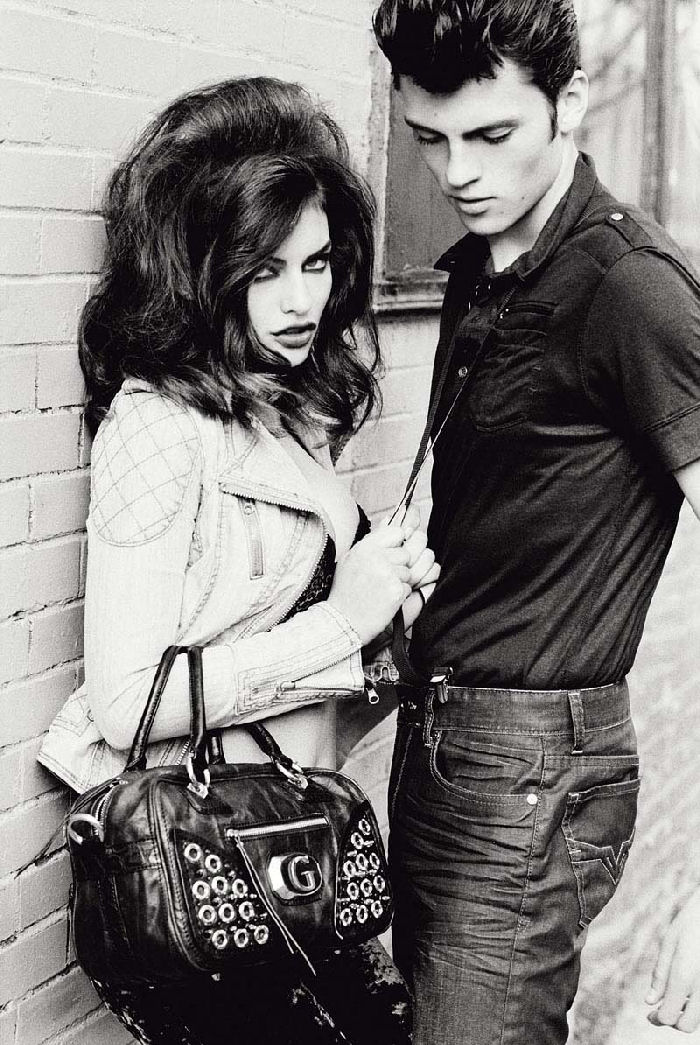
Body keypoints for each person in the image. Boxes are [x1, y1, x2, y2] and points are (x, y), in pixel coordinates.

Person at [38, 76, 439, 1045]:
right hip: (213, 869)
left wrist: (388, 615)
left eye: (318, 263)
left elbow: (304, 672)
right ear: (201, 268)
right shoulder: (157, 426)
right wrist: (343, 619)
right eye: (265, 270)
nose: (302, 300)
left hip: (298, 855)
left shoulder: (287, 407)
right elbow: (126, 700)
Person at [371, 2, 700, 1042]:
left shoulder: (631, 288)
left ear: (570, 101)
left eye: (492, 134)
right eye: (429, 140)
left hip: (530, 778)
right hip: (442, 747)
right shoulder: (483, 268)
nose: (459, 171)